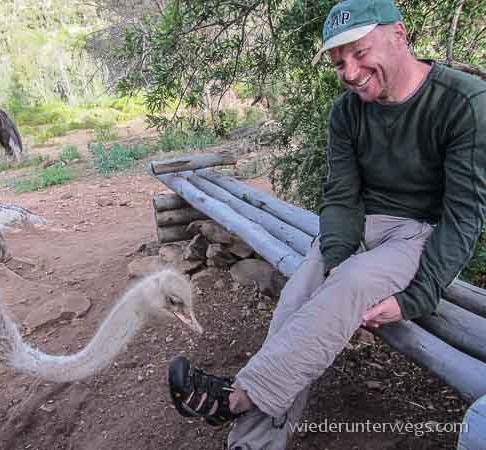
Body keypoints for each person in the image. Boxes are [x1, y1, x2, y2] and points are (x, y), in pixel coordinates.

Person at [167, 0, 486, 449]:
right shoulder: (347, 112)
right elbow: (341, 197)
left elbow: (464, 216)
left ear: (399, 34)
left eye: (359, 52)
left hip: (422, 233)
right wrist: (336, 255)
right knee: (299, 294)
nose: (350, 72)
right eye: (339, 62)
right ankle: (252, 445)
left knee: (352, 282)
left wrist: (417, 295)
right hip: (361, 225)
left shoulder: (463, 101)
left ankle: (237, 398)